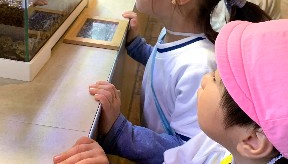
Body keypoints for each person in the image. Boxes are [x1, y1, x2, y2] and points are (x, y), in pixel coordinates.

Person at [54, 0, 269, 164]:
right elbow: (165, 66)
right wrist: (137, 45)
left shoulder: (199, 66)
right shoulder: (177, 33)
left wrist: (121, 133)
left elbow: (186, 149)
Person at [53, 20, 288, 164]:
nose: (206, 77)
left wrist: (119, 134)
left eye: (218, 79)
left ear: (252, 140)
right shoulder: (215, 146)